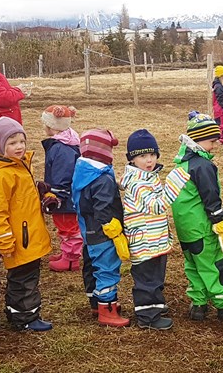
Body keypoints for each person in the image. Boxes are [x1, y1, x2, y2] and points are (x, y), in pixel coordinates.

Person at [171, 113, 223, 321]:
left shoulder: (182, 164)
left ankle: (198, 305)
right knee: (213, 264)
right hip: (202, 228)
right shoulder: (202, 166)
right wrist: (219, 221)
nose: (214, 146)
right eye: (211, 141)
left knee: (193, 265)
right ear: (198, 140)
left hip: (186, 230)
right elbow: (210, 197)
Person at [0, 117, 53, 332]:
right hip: (19, 240)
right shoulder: (1, 176)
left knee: (28, 276)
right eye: (12, 143)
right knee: (22, 280)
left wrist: (43, 193)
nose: (19, 147)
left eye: (21, 141)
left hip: (29, 236)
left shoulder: (20, 166)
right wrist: (4, 240)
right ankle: (24, 317)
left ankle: (20, 312)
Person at [120, 129, 190, 330]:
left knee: (156, 275)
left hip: (155, 238)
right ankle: (147, 316)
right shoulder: (137, 182)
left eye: (152, 155)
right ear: (132, 159)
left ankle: (155, 305)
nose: (149, 160)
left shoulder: (149, 176)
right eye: (142, 156)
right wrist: (173, 186)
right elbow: (157, 206)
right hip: (144, 241)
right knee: (146, 278)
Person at [71, 128, 131, 327]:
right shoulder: (102, 179)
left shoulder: (84, 170)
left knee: (92, 265)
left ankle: (96, 302)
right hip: (103, 234)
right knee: (107, 268)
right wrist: (115, 231)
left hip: (88, 230)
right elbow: (103, 209)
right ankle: (107, 309)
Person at [40, 105, 82, 272]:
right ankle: (67, 253)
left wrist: (56, 196)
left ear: (51, 126)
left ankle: (71, 259)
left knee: (68, 226)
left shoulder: (60, 149)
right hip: (66, 196)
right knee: (65, 225)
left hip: (64, 198)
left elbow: (62, 175)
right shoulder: (67, 142)